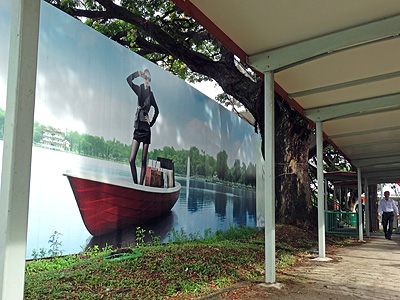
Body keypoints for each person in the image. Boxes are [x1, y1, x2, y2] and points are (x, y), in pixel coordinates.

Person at [126, 69, 159, 185]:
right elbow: (128, 80)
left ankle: (140, 185)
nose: (148, 81)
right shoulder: (139, 89)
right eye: (146, 78)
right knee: (131, 160)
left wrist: (151, 122)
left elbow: (157, 110)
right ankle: (135, 184)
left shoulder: (151, 94)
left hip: (146, 130)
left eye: (149, 79)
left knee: (144, 160)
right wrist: (136, 74)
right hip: (137, 128)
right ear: (143, 78)